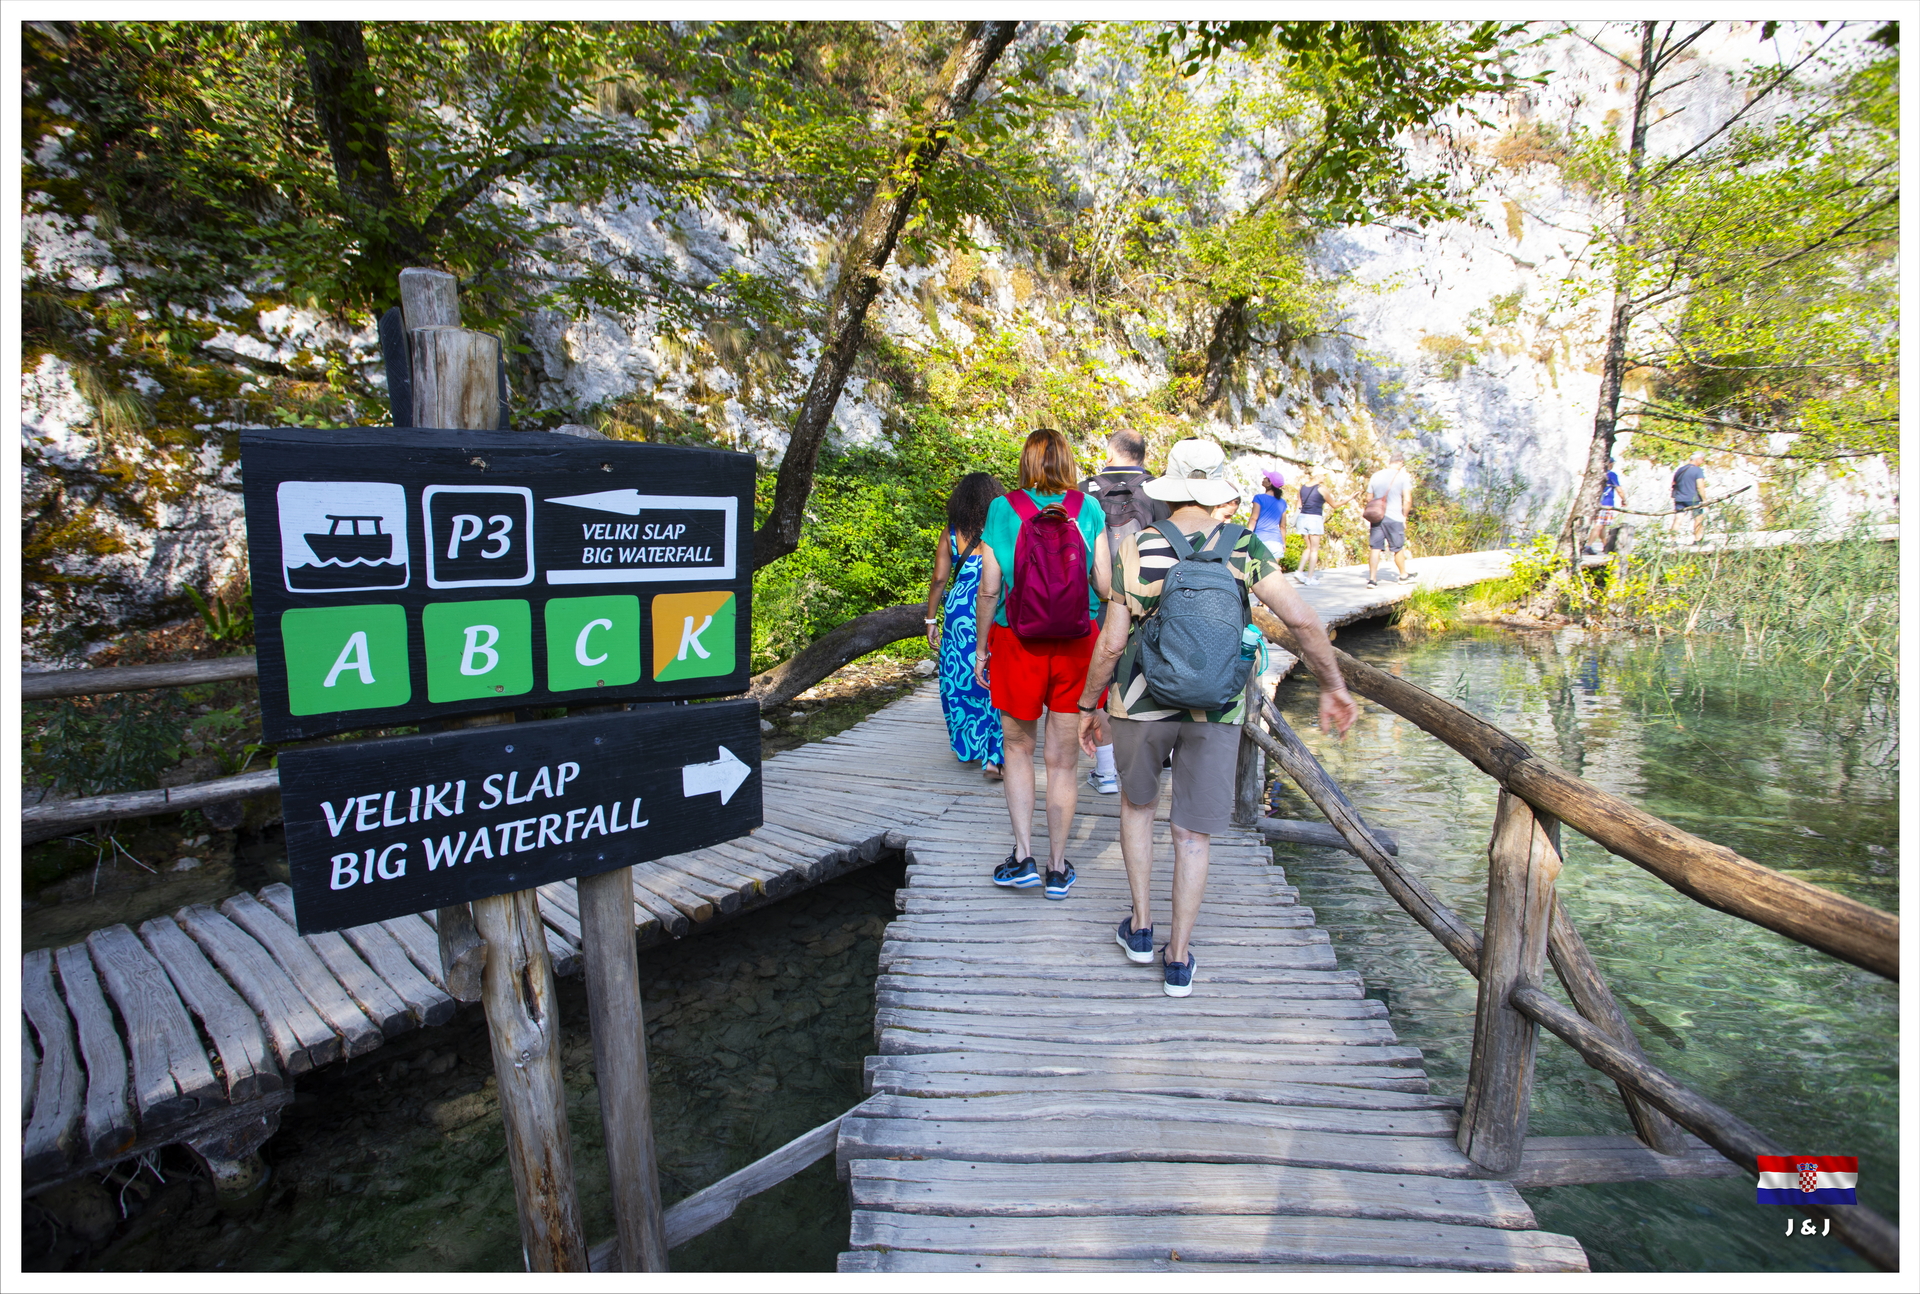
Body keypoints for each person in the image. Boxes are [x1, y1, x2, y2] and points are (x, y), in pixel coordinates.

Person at [1075, 438, 1357, 996]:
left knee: (1138, 808)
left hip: (1140, 701)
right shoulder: (1245, 547)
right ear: (1217, 491)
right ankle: (1178, 958)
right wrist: (1333, 685)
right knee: (1192, 832)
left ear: (1170, 489)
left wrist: (1088, 705)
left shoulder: (1139, 546)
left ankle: (1140, 928)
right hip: (1219, 705)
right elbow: (1302, 620)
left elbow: (1111, 643)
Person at [975, 428, 1111, 900]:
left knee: (1017, 749)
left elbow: (989, 588)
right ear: (1068, 462)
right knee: (1063, 762)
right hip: (1078, 644)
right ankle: (1057, 868)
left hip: (1018, 641)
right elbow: (1105, 586)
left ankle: (1023, 857)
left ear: (1026, 463)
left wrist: (981, 649)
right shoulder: (1087, 508)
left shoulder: (1002, 508)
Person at [1078, 431, 1171, 796]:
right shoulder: (1159, 491)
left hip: (1097, 604)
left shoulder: (1084, 491)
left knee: (1101, 682)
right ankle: (1156, 759)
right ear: (1143, 455)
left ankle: (1105, 773)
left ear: (1109, 453)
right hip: (1149, 604)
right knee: (1151, 677)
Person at [924, 472, 1005, 782]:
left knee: (958, 674)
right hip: (995, 604)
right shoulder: (1002, 527)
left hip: (960, 611)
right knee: (994, 673)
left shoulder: (951, 532)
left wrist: (931, 619)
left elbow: (939, 580)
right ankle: (995, 755)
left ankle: (968, 746)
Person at [1365, 452, 1416, 589]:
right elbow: (1407, 500)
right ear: (1400, 462)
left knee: (1375, 548)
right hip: (1394, 517)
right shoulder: (1402, 477)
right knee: (1397, 548)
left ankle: (1372, 580)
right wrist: (1404, 516)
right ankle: (1403, 576)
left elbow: (1369, 498)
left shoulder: (1376, 476)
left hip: (1377, 517)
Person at [1293, 464, 1329, 585]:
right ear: (1318, 476)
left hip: (1302, 518)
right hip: (1314, 519)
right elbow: (1334, 504)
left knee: (1308, 547)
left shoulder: (1303, 487)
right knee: (1314, 550)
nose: (1325, 477)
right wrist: (1349, 499)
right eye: (1323, 475)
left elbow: (1299, 504)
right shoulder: (1321, 489)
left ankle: (1299, 571)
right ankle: (1309, 578)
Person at [1585, 458, 1625, 555]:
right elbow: (1619, 489)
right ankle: (1588, 546)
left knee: (1602, 525)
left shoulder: (1597, 474)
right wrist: (1624, 499)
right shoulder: (1611, 475)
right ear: (1609, 464)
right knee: (1599, 525)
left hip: (1596, 503)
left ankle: (1606, 545)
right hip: (1606, 503)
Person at [1671, 452, 1707, 543]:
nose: (1703, 461)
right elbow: (1700, 486)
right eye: (1702, 459)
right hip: (1693, 499)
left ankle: (1673, 540)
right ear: (1697, 459)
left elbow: (1674, 483)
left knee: (1678, 519)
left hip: (1679, 498)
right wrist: (1704, 500)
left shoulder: (1680, 470)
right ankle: (1697, 540)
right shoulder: (1697, 470)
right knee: (1698, 518)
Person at [1250, 470, 1288, 554]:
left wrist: (1247, 536)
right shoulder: (1282, 502)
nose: (1263, 478)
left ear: (1270, 483)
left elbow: (1253, 519)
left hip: (1260, 540)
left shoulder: (1259, 498)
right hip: (1276, 543)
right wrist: (1283, 542)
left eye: (1266, 478)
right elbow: (1283, 526)